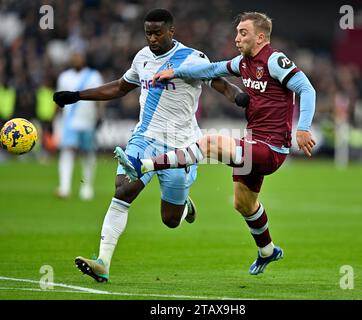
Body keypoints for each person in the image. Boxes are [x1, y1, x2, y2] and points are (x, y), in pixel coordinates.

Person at [114, 12, 316, 275]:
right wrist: (174, 71)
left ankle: (144, 166)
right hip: (253, 142)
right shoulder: (243, 62)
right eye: (237, 33)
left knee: (209, 143)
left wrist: (303, 128)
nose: (237, 38)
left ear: (261, 37)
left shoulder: (274, 60)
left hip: (271, 148)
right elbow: (210, 69)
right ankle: (267, 251)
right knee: (243, 204)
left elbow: (307, 89)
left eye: (243, 33)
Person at [53, 8, 247, 282]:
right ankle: (103, 262)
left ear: (171, 31)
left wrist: (240, 99)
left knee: (170, 220)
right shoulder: (142, 58)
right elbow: (121, 87)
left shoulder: (191, 58)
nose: (152, 38)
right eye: (148, 33)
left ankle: (184, 206)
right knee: (123, 189)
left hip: (180, 145)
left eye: (158, 33)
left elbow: (220, 82)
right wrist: (77, 95)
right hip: (144, 137)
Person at [55, 50, 104, 200]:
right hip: (69, 122)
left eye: (79, 55)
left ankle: (87, 187)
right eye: (74, 55)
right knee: (67, 151)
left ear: (84, 58)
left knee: (87, 153)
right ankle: (64, 187)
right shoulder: (64, 76)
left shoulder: (94, 76)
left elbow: (100, 98)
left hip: (88, 121)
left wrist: (99, 116)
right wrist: (55, 118)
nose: (76, 58)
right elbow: (58, 99)